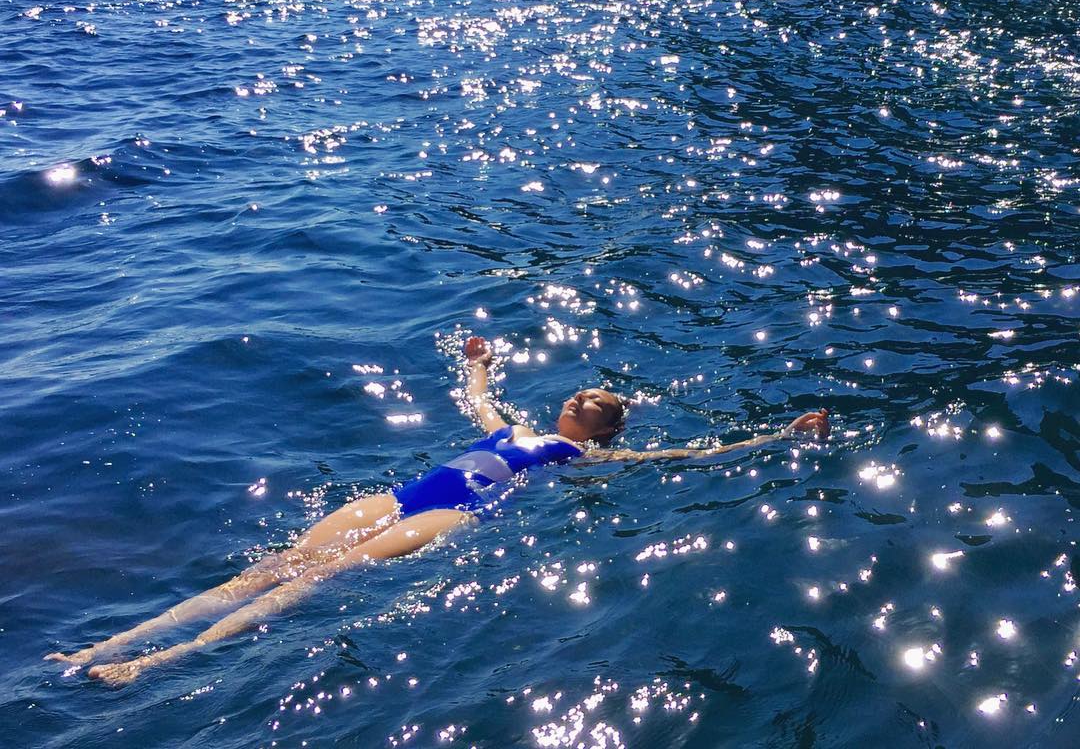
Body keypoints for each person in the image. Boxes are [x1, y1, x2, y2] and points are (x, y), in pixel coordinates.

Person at [47, 336, 829, 685]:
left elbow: (683, 458)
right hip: (407, 494)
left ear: (599, 428)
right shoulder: (511, 429)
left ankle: (154, 664)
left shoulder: (579, 457)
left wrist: (778, 436)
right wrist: (481, 361)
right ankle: (106, 645)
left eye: (595, 402)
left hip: (453, 513)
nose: (583, 397)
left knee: (314, 580)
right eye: (583, 392)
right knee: (276, 565)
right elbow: (480, 397)